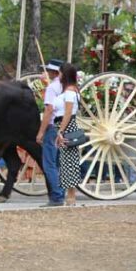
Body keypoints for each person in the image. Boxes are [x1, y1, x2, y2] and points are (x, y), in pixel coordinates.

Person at [35, 59, 65, 206]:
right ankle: (62, 193)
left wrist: (41, 132)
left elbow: (49, 110)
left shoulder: (52, 88)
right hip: (65, 125)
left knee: (49, 164)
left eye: (49, 70)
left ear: (54, 72)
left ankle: (57, 196)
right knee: (59, 162)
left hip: (53, 127)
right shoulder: (69, 87)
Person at [55, 63, 82, 205]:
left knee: (69, 161)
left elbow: (68, 113)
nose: (58, 76)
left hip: (67, 125)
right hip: (64, 124)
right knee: (65, 161)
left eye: (60, 73)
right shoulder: (68, 91)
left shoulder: (71, 92)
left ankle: (71, 195)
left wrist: (61, 130)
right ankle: (69, 193)